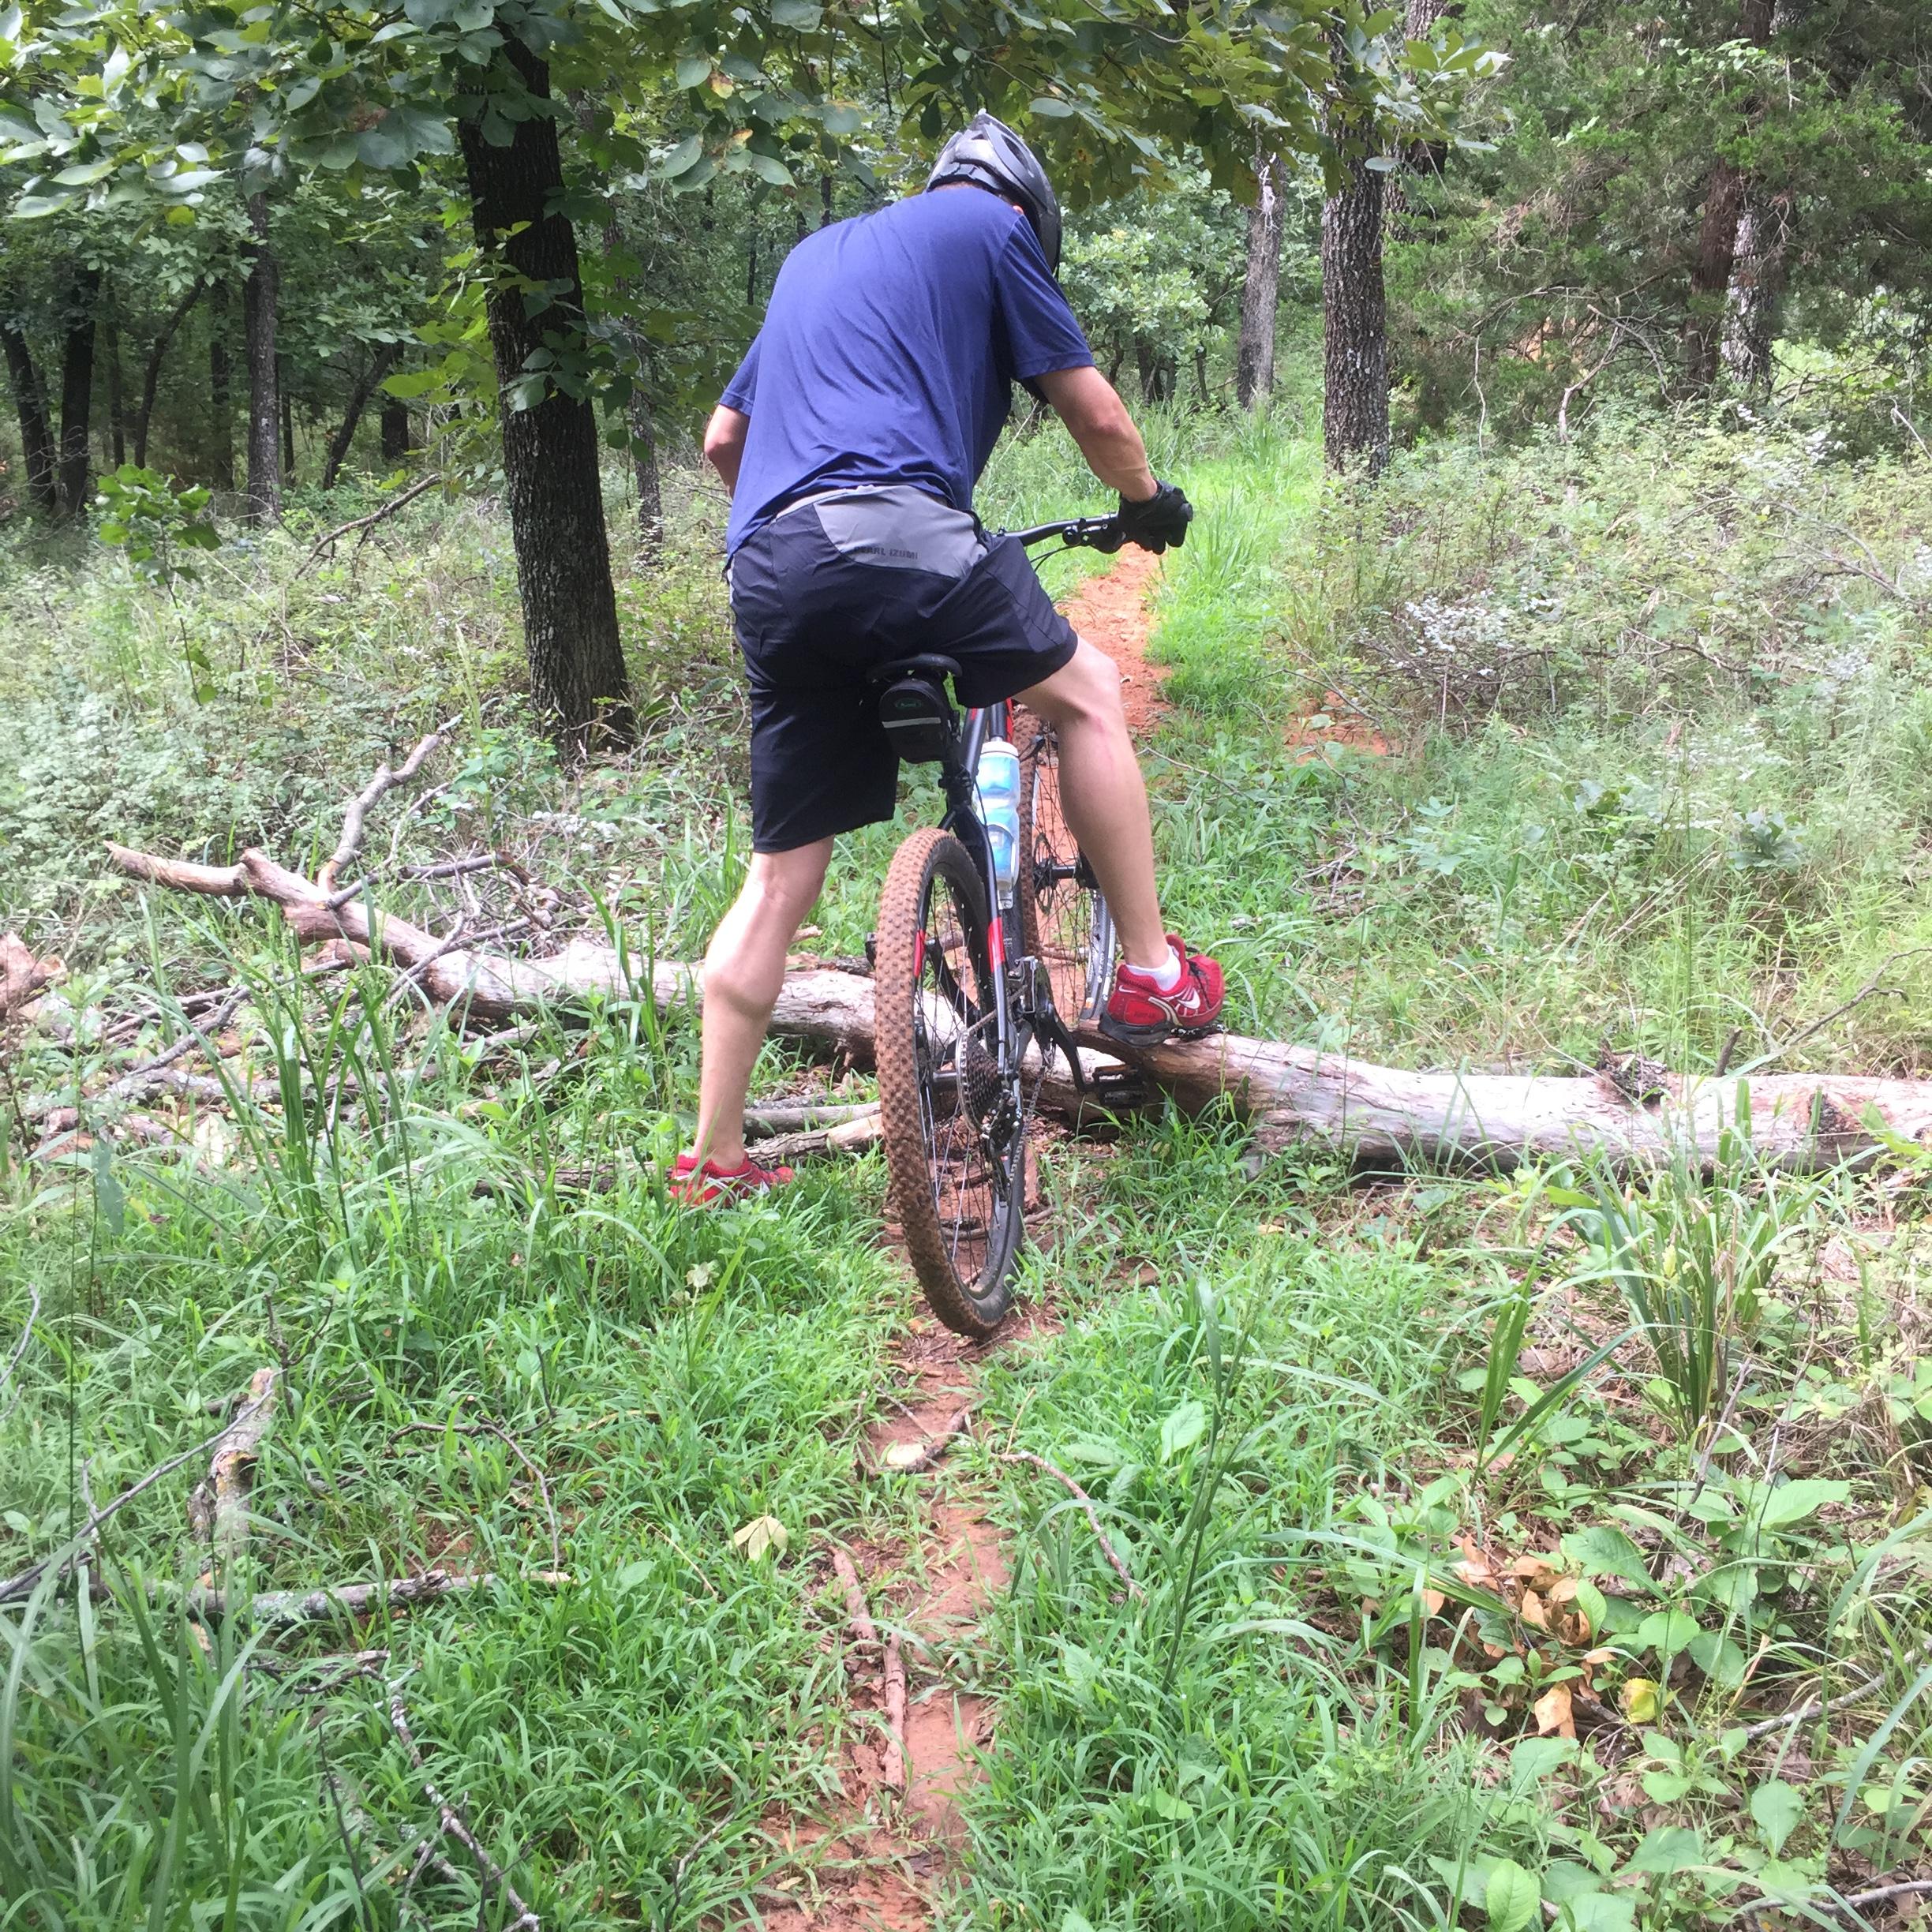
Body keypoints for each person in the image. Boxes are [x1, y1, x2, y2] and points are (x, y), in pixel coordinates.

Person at [672, 112, 1224, 1204]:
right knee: (1090, 692)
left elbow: (721, 443)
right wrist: (1145, 504)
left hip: (771, 565)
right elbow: (1096, 410)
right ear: (1025, 208)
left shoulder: (812, 256)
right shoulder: (989, 227)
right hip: (902, 532)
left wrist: (814, 541)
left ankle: (712, 1158)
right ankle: (1155, 978)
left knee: (782, 873)